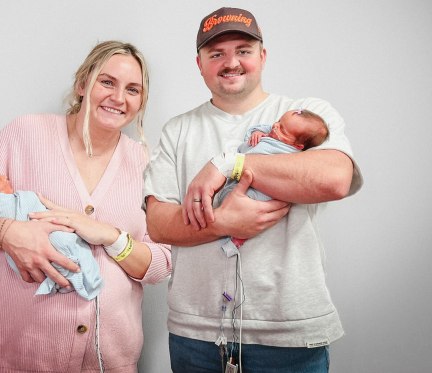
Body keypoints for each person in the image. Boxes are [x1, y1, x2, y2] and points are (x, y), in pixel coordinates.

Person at [143, 7, 363, 373]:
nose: (231, 62)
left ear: (263, 56)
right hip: (194, 335)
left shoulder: (305, 113)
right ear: (199, 63)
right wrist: (224, 222)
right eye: (217, 54)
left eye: (243, 50)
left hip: (289, 333)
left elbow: (335, 179)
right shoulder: (176, 130)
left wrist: (232, 165)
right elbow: (158, 224)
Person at [0, 40, 171, 373]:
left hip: (108, 362)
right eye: (107, 82)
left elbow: (162, 263)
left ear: (142, 100)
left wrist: (111, 236)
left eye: (133, 89)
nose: (119, 97)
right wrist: (8, 232)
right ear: (82, 84)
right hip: (17, 357)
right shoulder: (25, 134)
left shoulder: (146, 165)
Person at [0, 166, 103, 300]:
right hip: (25, 310)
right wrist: (6, 230)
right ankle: (76, 274)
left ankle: (75, 274)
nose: (4, 176)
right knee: (60, 241)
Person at [213, 109, 330, 254]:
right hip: (238, 176)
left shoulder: (290, 154)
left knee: (249, 213)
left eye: (282, 129)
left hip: (260, 192)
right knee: (225, 199)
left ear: (298, 146)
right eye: (279, 121)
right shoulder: (271, 132)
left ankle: (236, 242)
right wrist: (257, 134)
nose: (275, 127)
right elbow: (260, 129)